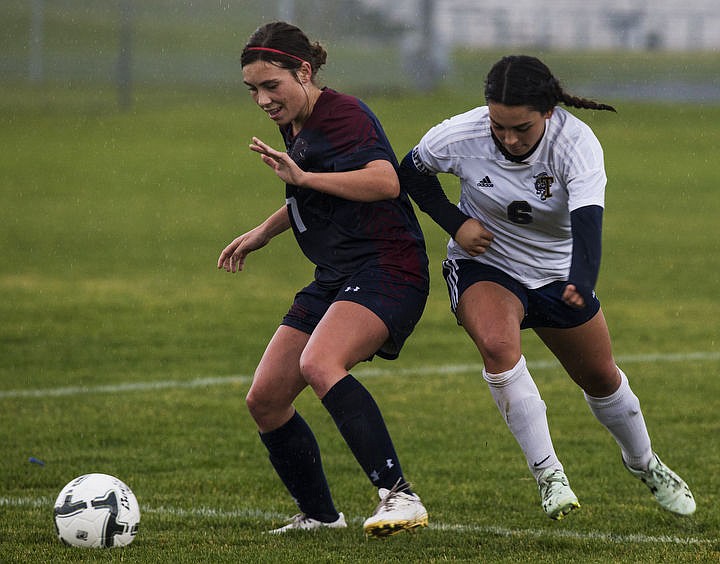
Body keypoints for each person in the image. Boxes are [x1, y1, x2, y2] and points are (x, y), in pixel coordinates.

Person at [399, 55, 696, 520]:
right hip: (487, 266)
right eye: (499, 126)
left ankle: (644, 463)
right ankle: (549, 474)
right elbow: (411, 171)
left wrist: (581, 278)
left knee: (601, 377)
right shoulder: (461, 134)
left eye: (522, 128)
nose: (509, 138)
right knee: (499, 347)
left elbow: (588, 220)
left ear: (548, 113)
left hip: (558, 273)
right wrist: (456, 224)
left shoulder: (575, 143)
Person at [217, 21, 429, 537]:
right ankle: (319, 515)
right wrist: (265, 230)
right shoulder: (295, 120)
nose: (264, 100)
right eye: (254, 90)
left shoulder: (345, 113)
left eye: (272, 86)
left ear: (304, 71)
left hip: (388, 267)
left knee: (320, 361)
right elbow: (314, 190)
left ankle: (399, 496)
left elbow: (384, 181)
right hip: (337, 273)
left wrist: (304, 178)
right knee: (265, 398)